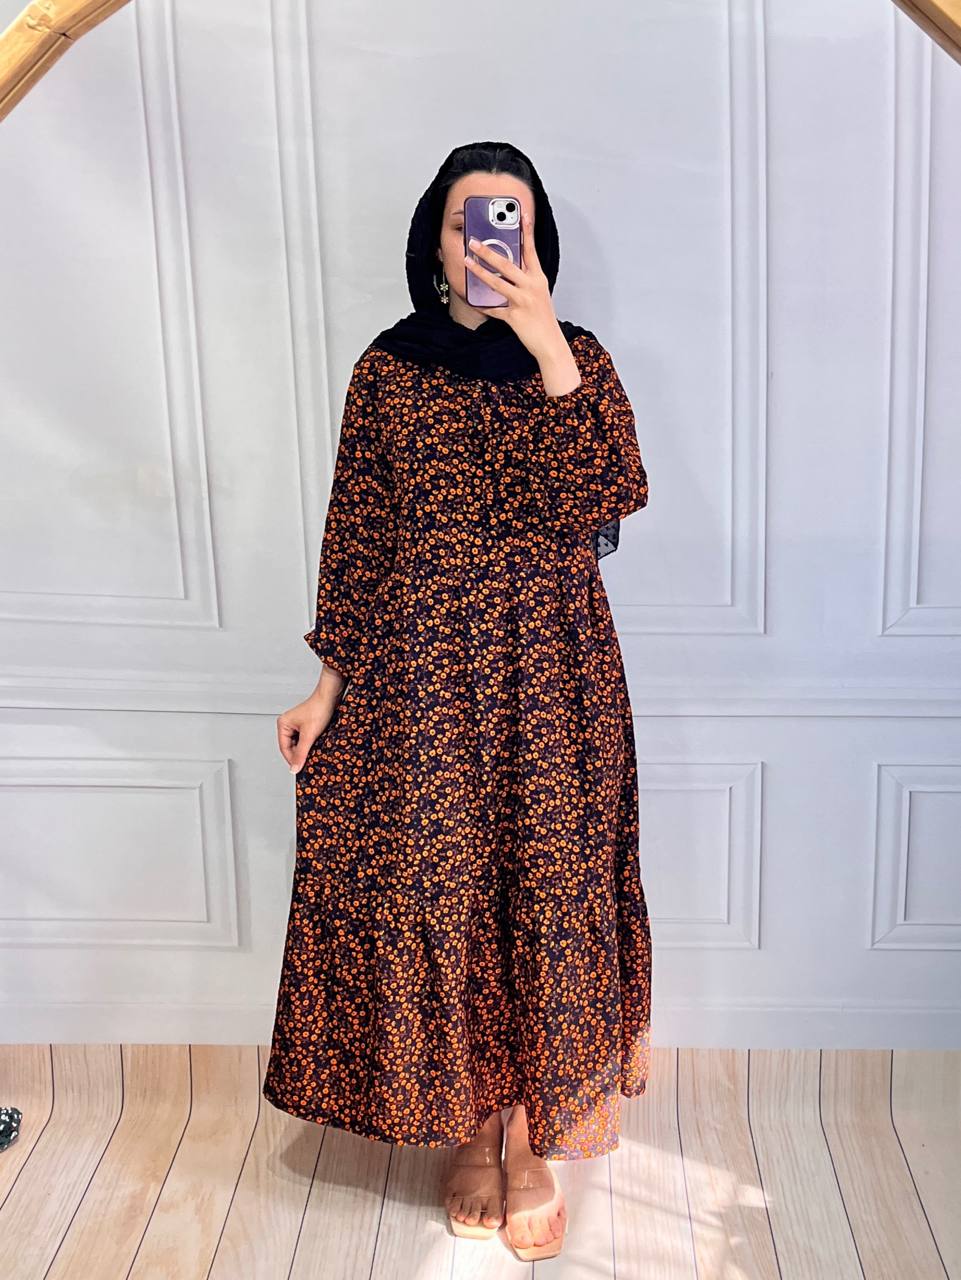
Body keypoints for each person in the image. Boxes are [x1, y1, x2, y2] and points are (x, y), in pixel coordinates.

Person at [263, 140, 652, 1263]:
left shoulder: (576, 359)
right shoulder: (387, 371)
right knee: (445, 895)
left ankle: (529, 1138)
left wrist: (545, 343)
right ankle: (473, 1128)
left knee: (545, 896)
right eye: (468, 220)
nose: (489, 240)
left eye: (510, 220)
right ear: (435, 243)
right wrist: (326, 685)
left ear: (537, 241)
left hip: (553, 682)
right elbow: (357, 537)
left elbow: (611, 493)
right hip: (421, 680)